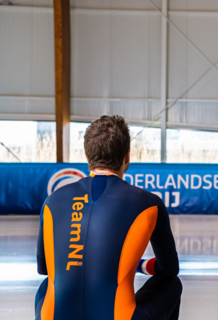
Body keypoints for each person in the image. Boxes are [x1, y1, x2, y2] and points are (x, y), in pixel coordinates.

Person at [35, 115, 182, 320]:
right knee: (172, 284)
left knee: (49, 283)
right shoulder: (150, 203)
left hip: (54, 316)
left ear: (87, 157)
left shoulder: (52, 201)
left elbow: (44, 268)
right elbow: (169, 269)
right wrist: (139, 265)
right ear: (127, 158)